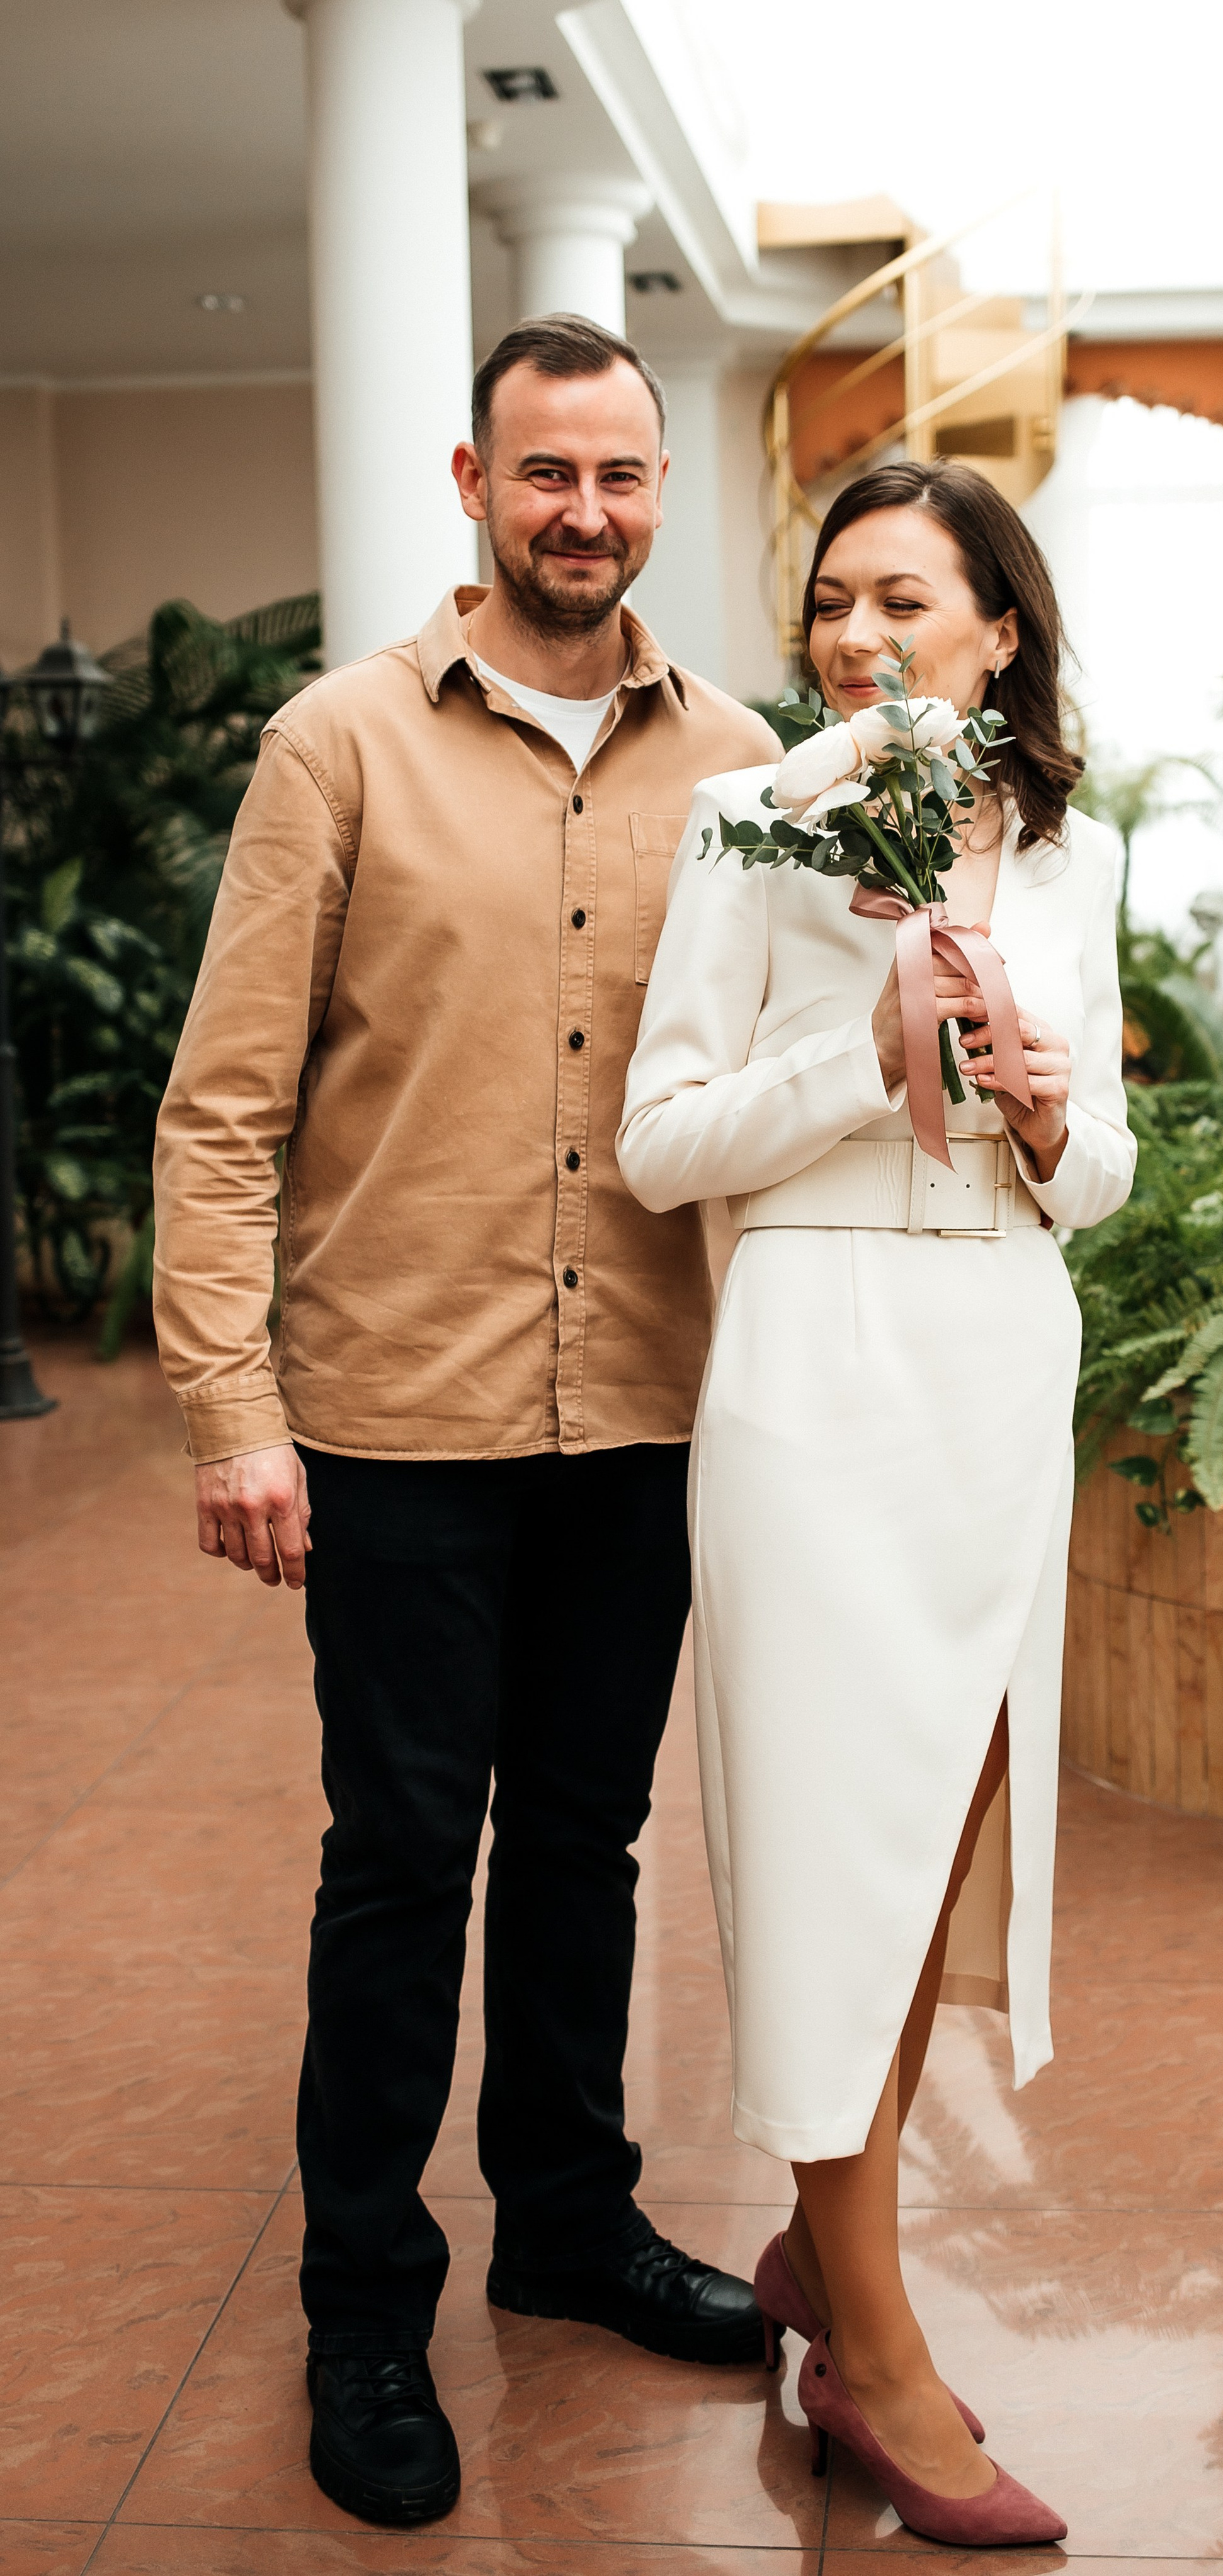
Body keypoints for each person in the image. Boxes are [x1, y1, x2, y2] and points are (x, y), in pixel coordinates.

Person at [151, 315, 782, 2531]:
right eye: (545, 476)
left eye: (619, 475)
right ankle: (360, 2302)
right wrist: (233, 1409)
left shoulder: (748, 760)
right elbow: (225, 1110)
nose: (583, 513)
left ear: (659, 488)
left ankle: (570, 2222)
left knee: (591, 1846)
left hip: (644, 1407)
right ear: (472, 480)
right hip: (397, 1414)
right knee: (405, 1859)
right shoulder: (335, 746)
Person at [617, 459, 1136, 2548]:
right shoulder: (754, 818)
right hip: (817, 1371)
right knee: (834, 1853)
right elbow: (665, 1141)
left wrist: (1038, 1103)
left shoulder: (1077, 854)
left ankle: (830, 2265)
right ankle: (881, 2358)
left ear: (999, 628)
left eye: (905, 601)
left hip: (1002, 1360)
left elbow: (1106, 1170)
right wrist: (869, 1047)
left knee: (927, 1846)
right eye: (833, 600)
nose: (858, 637)